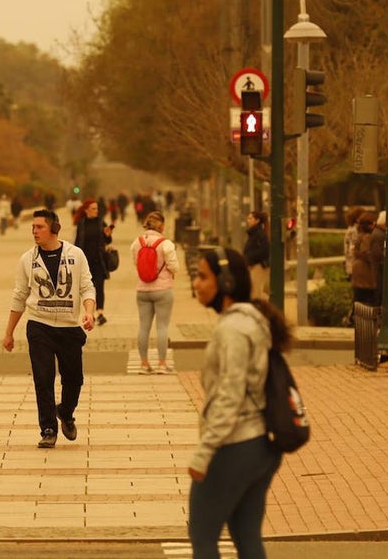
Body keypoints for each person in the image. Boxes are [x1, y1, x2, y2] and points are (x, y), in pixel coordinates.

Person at [188, 247, 290, 559]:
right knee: (246, 536)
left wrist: (204, 452)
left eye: (203, 276)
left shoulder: (232, 330)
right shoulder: (253, 321)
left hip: (234, 445)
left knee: (203, 536)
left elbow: (229, 396)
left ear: (227, 283)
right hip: (261, 445)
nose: (196, 283)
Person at [2, 209, 96, 449]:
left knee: (74, 379)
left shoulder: (76, 255)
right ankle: (48, 429)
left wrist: (89, 312)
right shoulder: (27, 260)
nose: (34, 231)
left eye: (40, 227)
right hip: (39, 326)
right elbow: (19, 296)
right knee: (43, 379)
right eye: (33, 227)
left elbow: (87, 286)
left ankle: (65, 412)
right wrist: (9, 332)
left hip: (69, 327)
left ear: (55, 229)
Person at [131, 210, 178, 374]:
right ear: (162, 225)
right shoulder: (166, 244)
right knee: (162, 327)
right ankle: (162, 364)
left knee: (143, 327)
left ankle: (144, 364)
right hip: (163, 290)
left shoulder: (137, 243)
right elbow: (174, 266)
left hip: (142, 290)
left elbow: (135, 263)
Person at [73, 198, 113, 327]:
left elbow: (107, 241)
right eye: (93, 209)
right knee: (88, 288)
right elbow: (77, 242)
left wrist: (108, 235)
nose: (96, 211)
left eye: (97, 208)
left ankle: (100, 313)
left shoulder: (101, 222)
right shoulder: (81, 224)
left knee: (100, 287)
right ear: (86, 210)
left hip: (99, 261)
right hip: (85, 262)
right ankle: (90, 314)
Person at [351, 212, 379, 306]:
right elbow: (366, 252)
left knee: (358, 299)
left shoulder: (360, 235)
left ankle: (353, 317)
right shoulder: (367, 237)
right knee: (366, 300)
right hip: (365, 273)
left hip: (358, 271)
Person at [243, 211, 270, 300]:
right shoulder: (253, 233)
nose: (248, 221)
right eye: (248, 218)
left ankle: (264, 310)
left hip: (259, 266)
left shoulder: (259, 233)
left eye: (250, 218)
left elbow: (265, 251)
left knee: (255, 294)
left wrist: (250, 257)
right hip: (253, 265)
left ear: (257, 220)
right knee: (255, 292)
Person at [343, 206, 364, 282]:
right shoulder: (353, 231)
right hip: (353, 266)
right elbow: (352, 249)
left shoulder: (351, 229)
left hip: (351, 265)